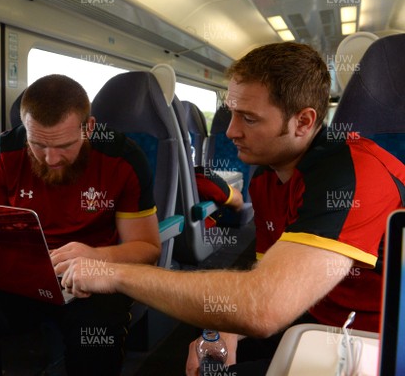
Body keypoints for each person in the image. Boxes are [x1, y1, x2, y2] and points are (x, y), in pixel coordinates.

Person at [61, 42, 405, 375]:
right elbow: (265, 278)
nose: (231, 131)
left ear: (303, 122)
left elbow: (266, 305)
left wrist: (113, 272)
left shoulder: (354, 173)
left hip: (378, 339)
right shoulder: (266, 178)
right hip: (314, 320)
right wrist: (223, 329)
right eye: (232, 111)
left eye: (249, 119)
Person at [0, 74, 161, 376]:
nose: (51, 158)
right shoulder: (4, 152)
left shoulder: (123, 159)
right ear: (25, 128)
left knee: (98, 329)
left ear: (88, 128)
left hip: (88, 280)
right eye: (38, 144)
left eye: (65, 145)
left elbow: (147, 248)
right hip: (19, 278)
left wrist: (96, 256)